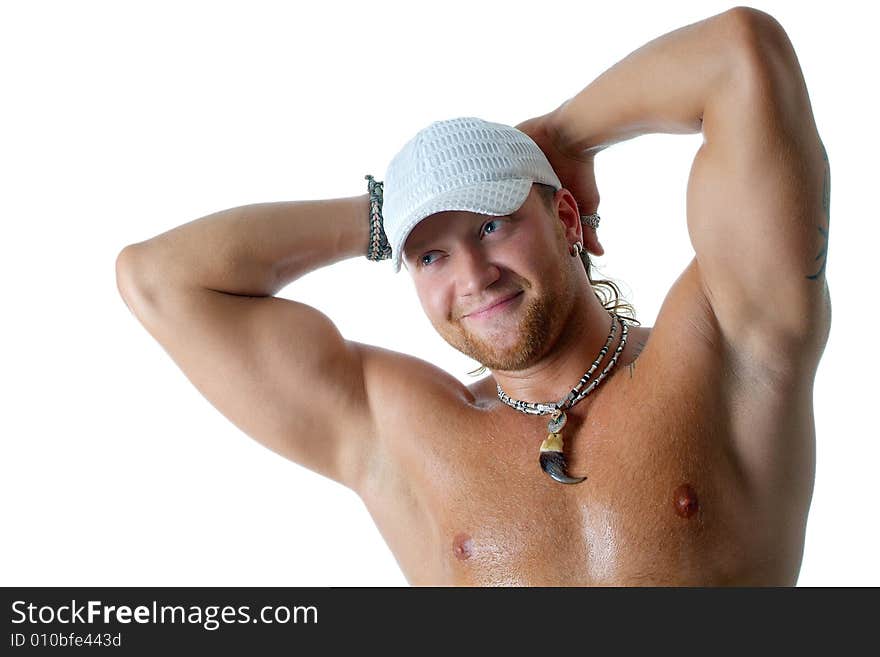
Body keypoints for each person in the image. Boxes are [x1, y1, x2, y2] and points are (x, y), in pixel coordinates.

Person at [115, 6, 831, 586]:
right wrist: (384, 214)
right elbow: (158, 279)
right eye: (430, 253)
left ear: (566, 218)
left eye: (492, 224)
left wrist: (560, 135)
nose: (473, 274)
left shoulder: (727, 343)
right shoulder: (401, 431)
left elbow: (740, 54)